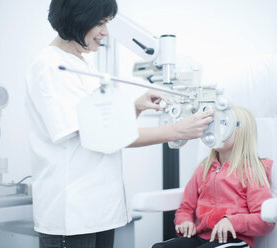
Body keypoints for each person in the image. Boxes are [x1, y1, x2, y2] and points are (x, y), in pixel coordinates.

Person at [25, 0, 214, 248]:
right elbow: (101, 134)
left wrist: (134, 107)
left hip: (99, 210)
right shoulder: (51, 67)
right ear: (77, 18)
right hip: (72, 214)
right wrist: (175, 131)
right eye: (100, 23)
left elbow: (104, 125)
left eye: (107, 23)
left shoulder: (81, 64)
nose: (106, 32)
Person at [152, 106, 275, 248]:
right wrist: (185, 221)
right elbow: (186, 207)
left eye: (224, 124)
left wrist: (232, 221)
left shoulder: (250, 171)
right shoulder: (204, 169)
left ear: (242, 132)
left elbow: (266, 220)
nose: (216, 130)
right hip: (202, 237)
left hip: (234, 239)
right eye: (214, 124)